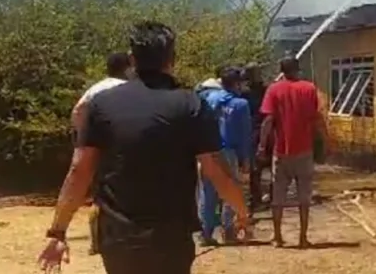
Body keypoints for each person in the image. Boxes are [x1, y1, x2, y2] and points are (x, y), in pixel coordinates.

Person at [37, 21, 250, 274]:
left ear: (131, 59)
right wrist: (242, 212)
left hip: (119, 239)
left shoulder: (103, 105)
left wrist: (58, 232)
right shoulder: (191, 105)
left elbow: (79, 171)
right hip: (171, 239)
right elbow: (216, 170)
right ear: (172, 59)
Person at [257, 56, 330, 248]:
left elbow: (267, 121)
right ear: (298, 69)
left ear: (281, 70)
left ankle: (277, 237)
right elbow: (317, 119)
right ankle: (303, 238)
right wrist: (326, 141)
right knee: (304, 197)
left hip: (281, 152)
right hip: (304, 151)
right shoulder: (309, 88)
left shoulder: (274, 89)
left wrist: (262, 146)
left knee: (278, 197)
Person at [70, 52, 131, 256]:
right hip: (117, 149)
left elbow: (77, 112)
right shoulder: (122, 89)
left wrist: (83, 138)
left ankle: (96, 242)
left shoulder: (95, 88)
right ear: (128, 68)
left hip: (93, 146)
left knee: (97, 195)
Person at [197, 66, 253, 246]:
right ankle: (228, 230)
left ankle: (205, 232)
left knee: (207, 192)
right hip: (228, 152)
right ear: (237, 83)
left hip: (207, 151)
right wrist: (246, 159)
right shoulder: (240, 104)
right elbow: (245, 135)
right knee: (230, 189)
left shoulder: (207, 100)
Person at [241, 62, 269, 211]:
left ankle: (256, 199)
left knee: (255, 169)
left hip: (253, 131)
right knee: (268, 167)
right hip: (266, 130)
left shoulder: (244, 93)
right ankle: (269, 198)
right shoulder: (266, 90)